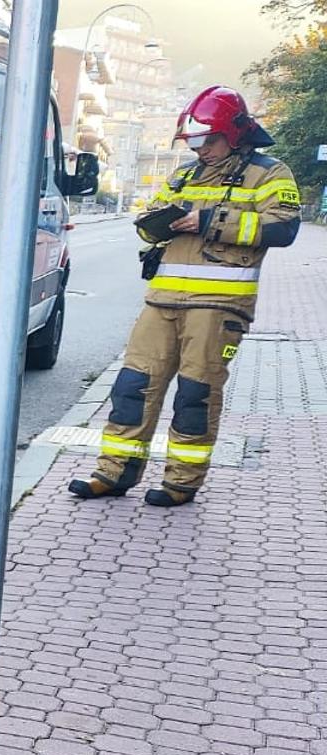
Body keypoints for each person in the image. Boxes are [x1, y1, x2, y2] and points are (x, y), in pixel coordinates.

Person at [70, 86, 301, 506]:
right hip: (163, 300)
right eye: (195, 142)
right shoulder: (185, 175)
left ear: (235, 133)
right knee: (132, 387)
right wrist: (156, 224)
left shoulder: (269, 173)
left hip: (218, 305)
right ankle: (113, 471)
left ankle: (181, 482)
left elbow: (283, 228)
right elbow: (148, 220)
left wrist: (210, 221)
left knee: (196, 394)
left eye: (208, 141)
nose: (202, 150)